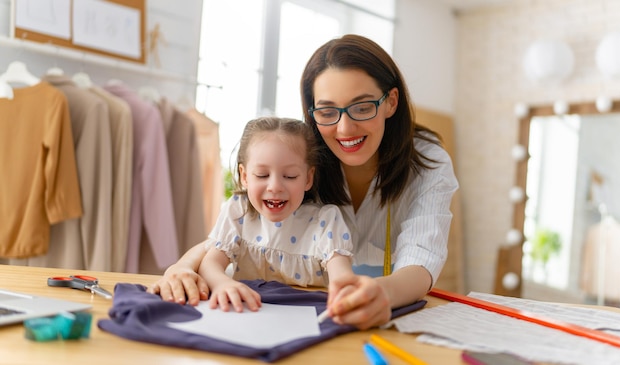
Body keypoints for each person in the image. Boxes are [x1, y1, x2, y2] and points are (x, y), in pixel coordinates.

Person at [149, 34, 459, 330]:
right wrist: (183, 265)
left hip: (368, 309)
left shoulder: (427, 162)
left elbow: (421, 258)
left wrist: (384, 294)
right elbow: (242, 227)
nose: (345, 128)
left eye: (362, 107)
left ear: (391, 101)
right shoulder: (299, 159)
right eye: (327, 111)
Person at [183, 116, 356, 313]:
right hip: (247, 313)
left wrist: (345, 292)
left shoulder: (325, 221)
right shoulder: (238, 211)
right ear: (245, 176)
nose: (274, 187)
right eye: (262, 175)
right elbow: (210, 264)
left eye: (290, 176)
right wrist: (222, 284)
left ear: (308, 178)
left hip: (307, 318)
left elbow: (341, 277)